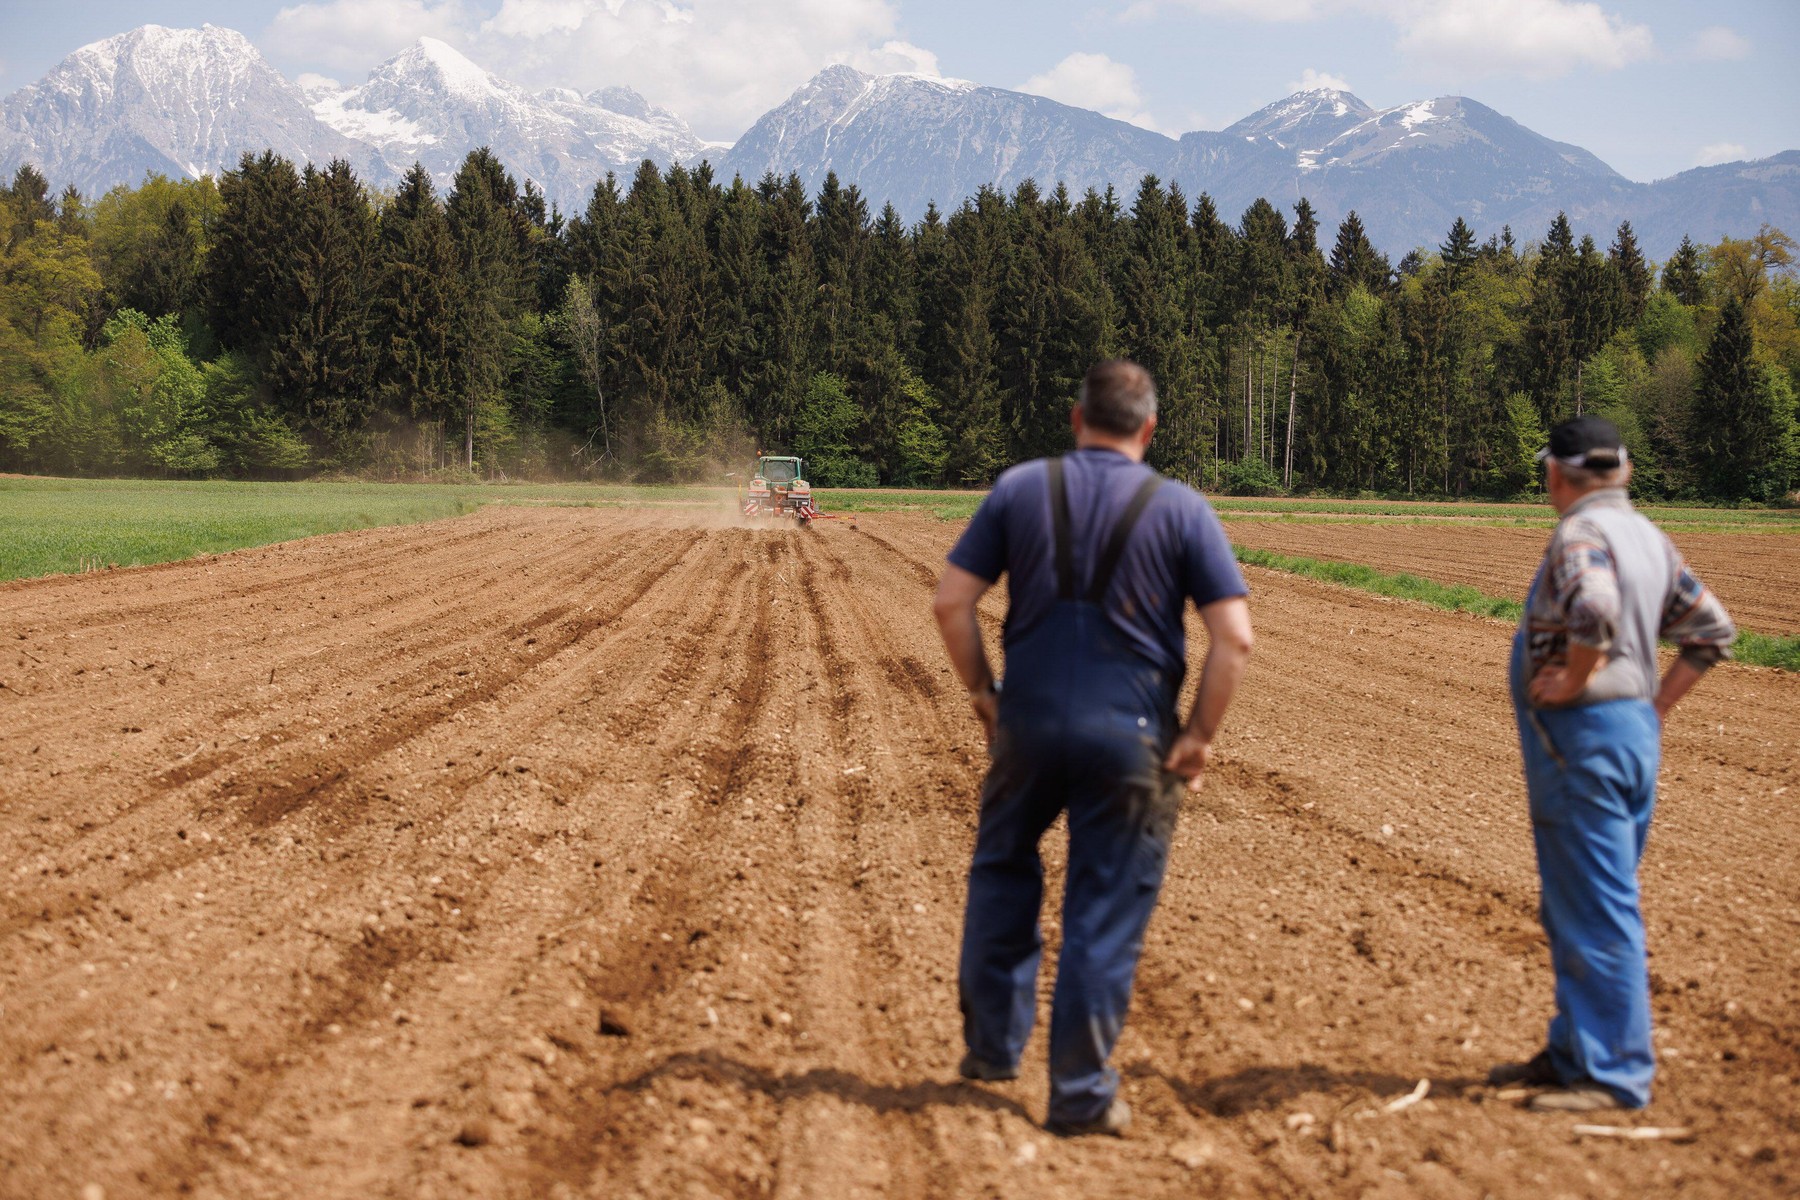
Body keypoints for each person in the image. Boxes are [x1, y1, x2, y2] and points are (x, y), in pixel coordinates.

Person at [932, 359, 1253, 1137]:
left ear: (1077, 422)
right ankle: (1078, 1094)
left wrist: (984, 695)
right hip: (1132, 736)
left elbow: (951, 602)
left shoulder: (1018, 490)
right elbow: (1233, 639)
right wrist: (1199, 738)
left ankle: (991, 1050)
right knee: (1103, 908)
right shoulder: (1181, 509)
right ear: (1148, 429)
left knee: (1004, 869)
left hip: (1029, 726)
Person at [1493, 415, 1736, 1112]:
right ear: (1624, 471)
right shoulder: (1649, 537)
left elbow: (1594, 610)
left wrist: (1573, 680)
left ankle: (1613, 1074)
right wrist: (1654, 709)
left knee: (1597, 907)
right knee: (1581, 898)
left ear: (1556, 475)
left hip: (1585, 737)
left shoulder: (1582, 533)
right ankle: (1575, 1051)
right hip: (1630, 736)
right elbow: (1711, 630)